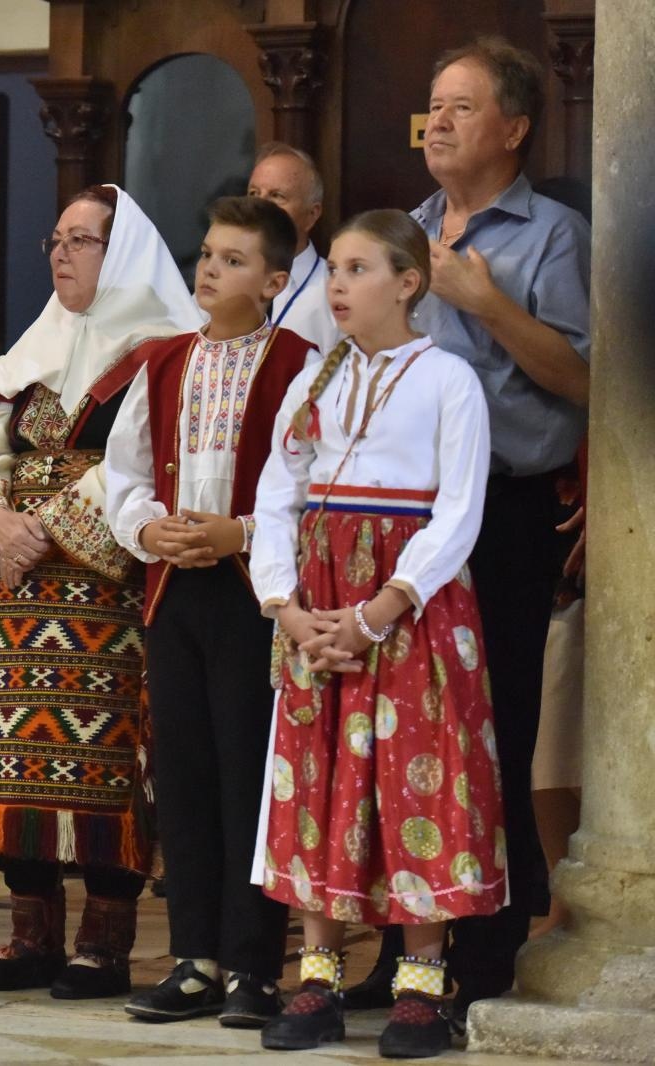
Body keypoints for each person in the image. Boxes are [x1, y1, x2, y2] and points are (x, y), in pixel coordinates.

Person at [345, 36, 591, 1018]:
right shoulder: (402, 231)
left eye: (461, 106)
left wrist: (484, 303)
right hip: (394, 519)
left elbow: (584, 379)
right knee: (393, 730)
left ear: (514, 127)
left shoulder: (553, 236)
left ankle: (484, 953)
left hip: (502, 516)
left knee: (487, 731)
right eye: (433, 105)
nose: (436, 122)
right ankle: (400, 949)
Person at [251, 210, 503, 1059]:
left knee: (418, 779)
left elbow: (458, 511)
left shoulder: (448, 379)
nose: (338, 284)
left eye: (358, 269)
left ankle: (422, 987)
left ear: (408, 283)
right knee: (318, 775)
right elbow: (278, 496)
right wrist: (287, 605)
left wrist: (376, 613)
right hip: (318, 597)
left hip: (409, 608)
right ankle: (317, 978)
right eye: (334, 270)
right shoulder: (314, 381)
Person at [0, 185, 199, 1001]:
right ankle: (30, 937)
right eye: (56, 239)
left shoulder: (166, 350)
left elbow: (145, 466)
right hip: (17, 594)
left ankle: (104, 946)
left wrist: (47, 526)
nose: (61, 253)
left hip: (104, 593)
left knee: (100, 763)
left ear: (121, 253)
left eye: (81, 241)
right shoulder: (36, 347)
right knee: (12, 759)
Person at [106, 196, 314, 1028]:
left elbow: (310, 485)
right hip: (174, 591)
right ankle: (193, 957)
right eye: (206, 254)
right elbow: (124, 472)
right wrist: (147, 528)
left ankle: (254, 967)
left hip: (252, 594)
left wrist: (241, 532)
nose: (210, 269)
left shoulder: (299, 364)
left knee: (248, 774)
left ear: (274, 281)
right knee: (184, 774)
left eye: (233, 260)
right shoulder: (163, 362)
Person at [247, 143, 341, 354]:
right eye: (254, 193)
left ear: (312, 214)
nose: (259, 207)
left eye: (277, 196)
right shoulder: (221, 278)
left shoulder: (338, 291)